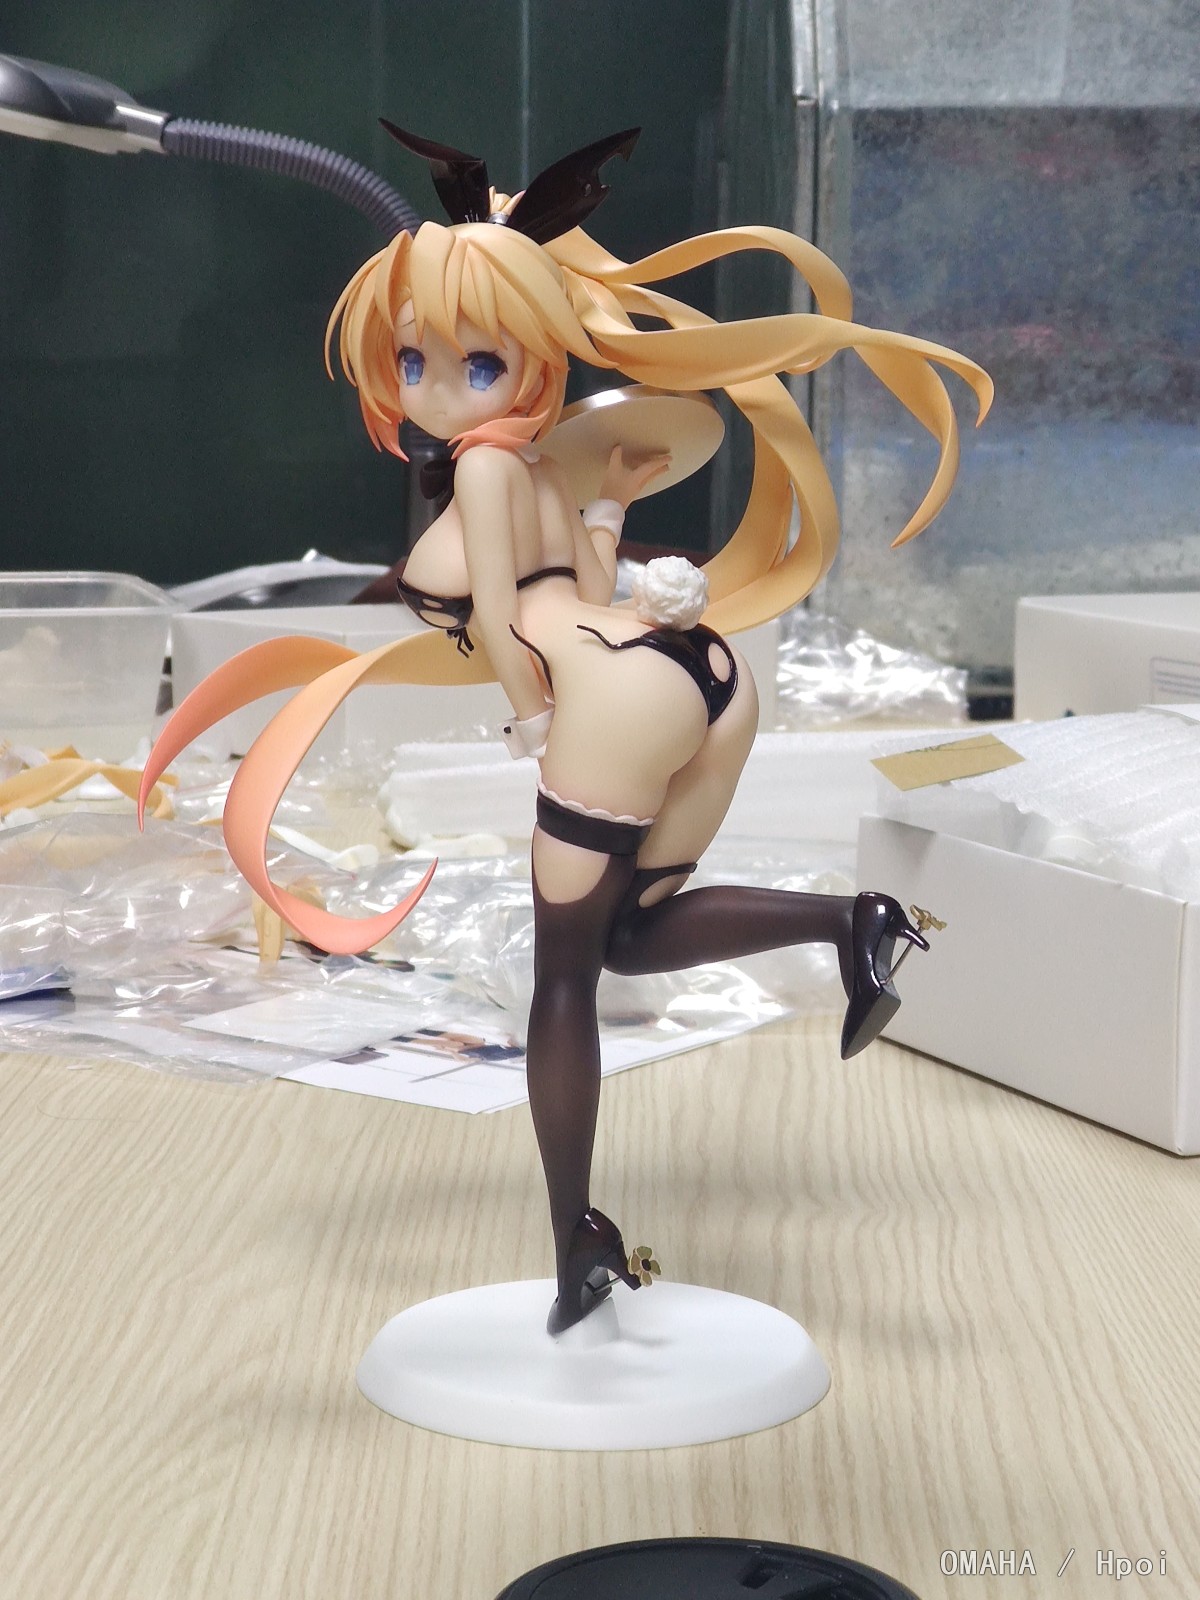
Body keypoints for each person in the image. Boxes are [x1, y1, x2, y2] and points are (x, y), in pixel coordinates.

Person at [141, 124, 991, 1337]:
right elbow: (586, 586)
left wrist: (531, 721)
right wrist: (610, 503)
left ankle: (577, 1236)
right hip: (699, 672)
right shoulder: (543, 467)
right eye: (415, 358)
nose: (437, 386)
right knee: (629, 939)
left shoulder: (491, 475)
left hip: (604, 698)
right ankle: (851, 924)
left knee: (562, 982)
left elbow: (501, 613)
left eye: (474, 362)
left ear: (533, 356)